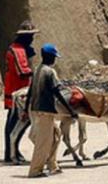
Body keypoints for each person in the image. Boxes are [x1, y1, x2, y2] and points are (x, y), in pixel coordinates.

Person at [26, 44, 78, 178]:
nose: (55, 60)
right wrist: (71, 110)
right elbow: (57, 92)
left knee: (56, 135)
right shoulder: (50, 72)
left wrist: (26, 109)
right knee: (43, 142)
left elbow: (31, 90)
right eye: (54, 57)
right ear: (50, 57)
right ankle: (35, 171)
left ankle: (52, 165)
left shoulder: (38, 69)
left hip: (37, 108)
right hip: (46, 110)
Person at [3, 20, 38, 164]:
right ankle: (11, 152)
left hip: (15, 88)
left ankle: (12, 150)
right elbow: (22, 72)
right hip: (17, 90)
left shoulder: (17, 48)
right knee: (17, 122)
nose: (32, 39)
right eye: (30, 36)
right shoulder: (18, 51)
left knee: (15, 122)